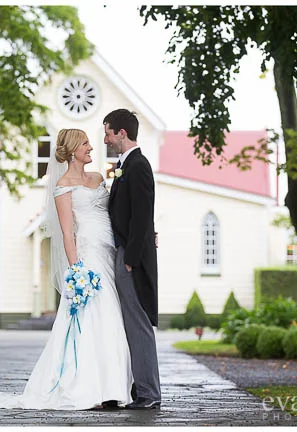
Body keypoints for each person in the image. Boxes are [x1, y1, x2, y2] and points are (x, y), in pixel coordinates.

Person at [0, 128, 133, 410]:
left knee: (113, 319)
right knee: (97, 316)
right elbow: (67, 233)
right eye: (85, 143)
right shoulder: (63, 185)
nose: (91, 147)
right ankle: (89, 388)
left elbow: (114, 214)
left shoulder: (99, 178)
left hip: (109, 252)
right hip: (89, 257)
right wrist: (77, 271)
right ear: (73, 150)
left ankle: (113, 387)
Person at [104, 108, 162, 409]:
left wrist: (132, 258)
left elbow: (142, 214)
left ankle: (149, 394)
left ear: (121, 133)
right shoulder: (126, 165)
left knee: (138, 324)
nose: (105, 139)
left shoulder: (138, 166)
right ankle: (141, 390)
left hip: (131, 257)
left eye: (108, 133)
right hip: (125, 251)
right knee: (130, 323)